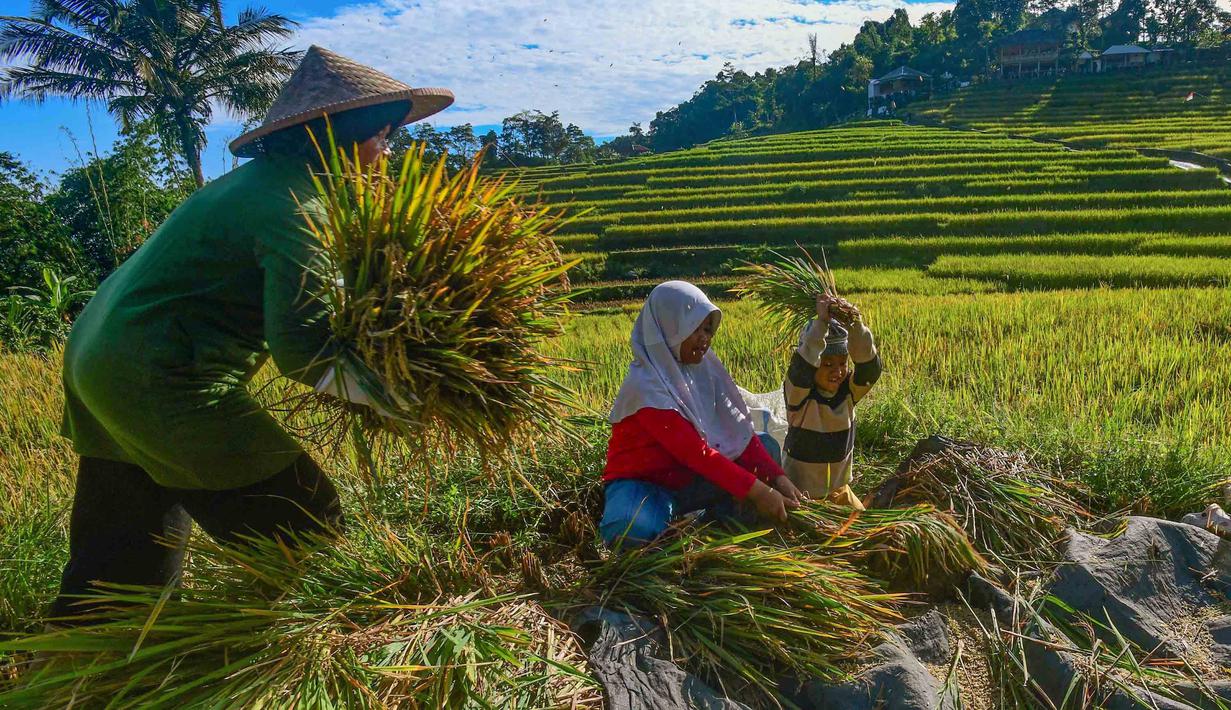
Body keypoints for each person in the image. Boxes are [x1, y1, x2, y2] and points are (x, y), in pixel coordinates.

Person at [50, 46, 454, 620]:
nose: (386, 155)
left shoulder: (263, 184)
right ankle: (287, 650)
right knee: (307, 525)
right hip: (162, 377)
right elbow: (304, 348)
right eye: (382, 137)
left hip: (100, 360)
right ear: (343, 135)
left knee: (123, 562)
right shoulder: (300, 204)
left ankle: (82, 672)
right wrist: (403, 399)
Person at [599, 281, 804, 548]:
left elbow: (739, 431)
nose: (704, 338)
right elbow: (696, 454)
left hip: (689, 480)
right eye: (694, 328)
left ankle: (723, 521)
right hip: (646, 486)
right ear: (669, 327)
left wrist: (778, 478)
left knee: (765, 445)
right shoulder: (646, 388)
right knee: (629, 529)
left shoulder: (705, 372)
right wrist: (758, 490)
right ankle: (668, 523)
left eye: (708, 329)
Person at [781, 295, 883, 510]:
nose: (837, 372)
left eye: (842, 363)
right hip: (802, 496)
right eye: (827, 364)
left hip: (839, 490)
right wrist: (821, 324)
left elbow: (870, 368)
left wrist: (855, 324)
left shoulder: (848, 393)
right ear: (815, 365)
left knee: (868, 532)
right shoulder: (799, 397)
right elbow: (802, 364)